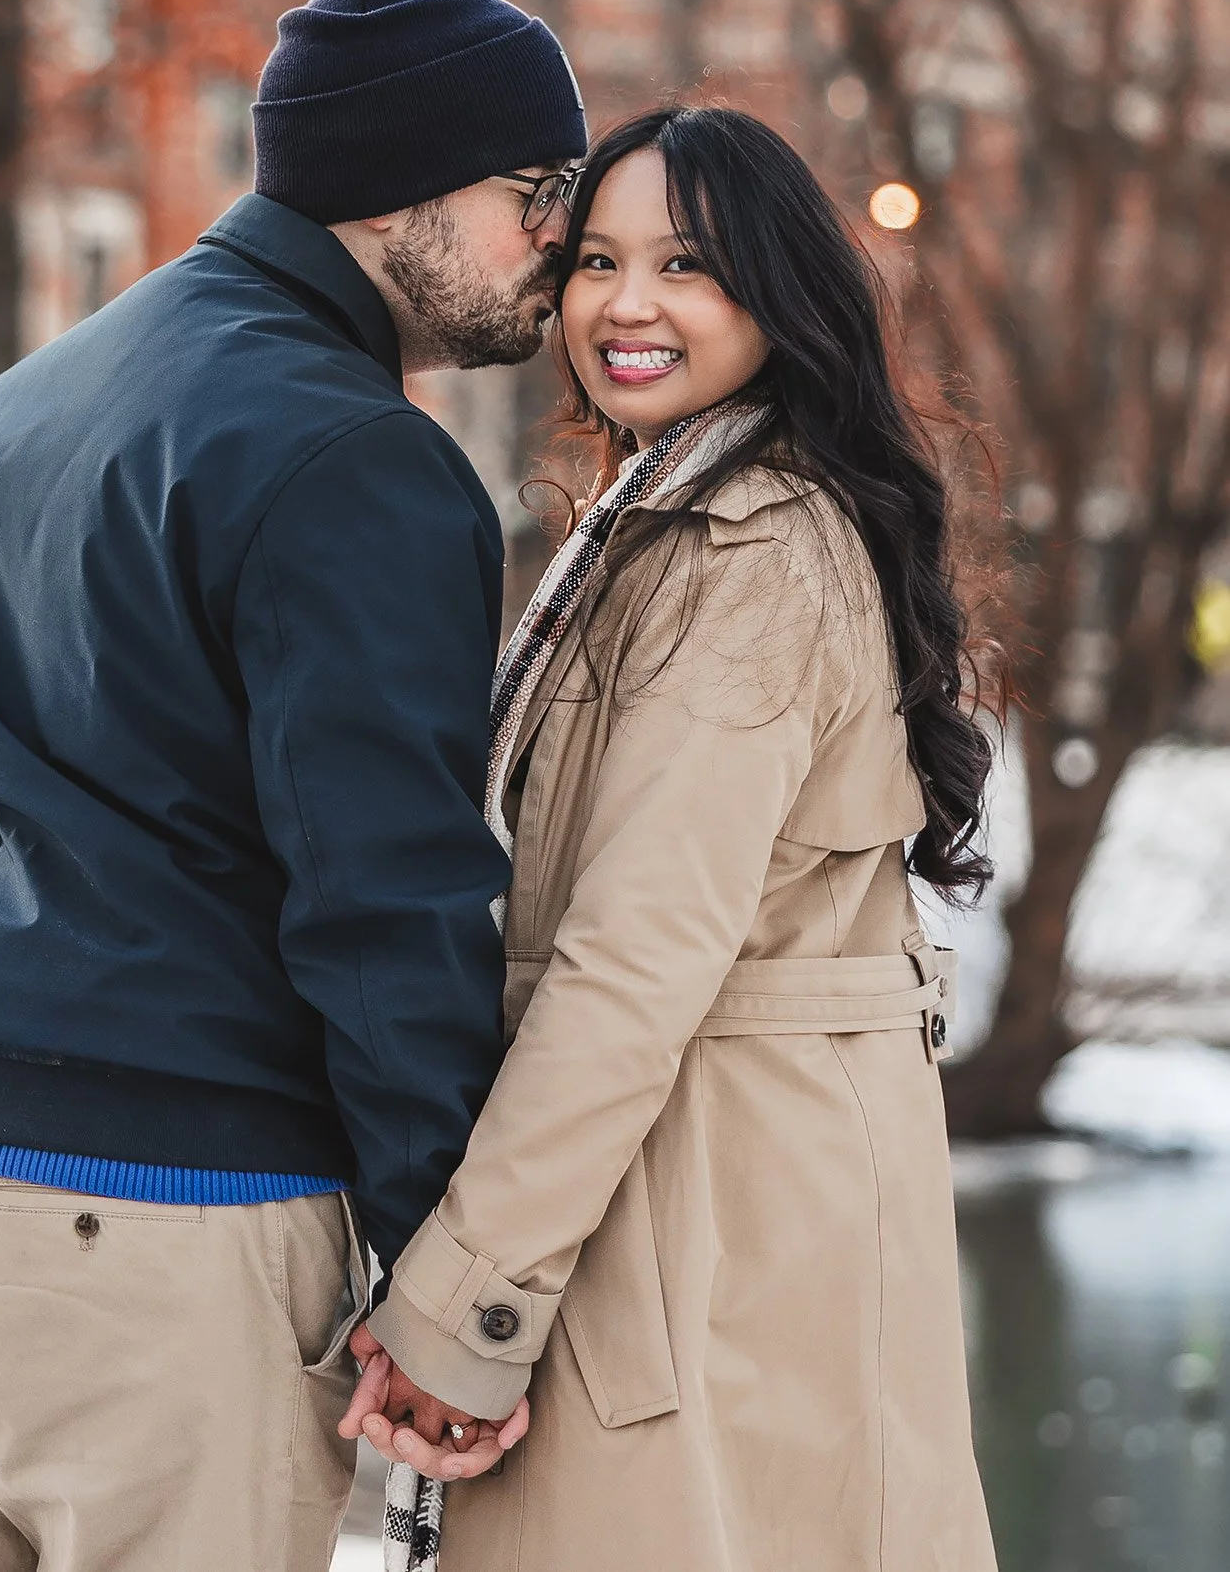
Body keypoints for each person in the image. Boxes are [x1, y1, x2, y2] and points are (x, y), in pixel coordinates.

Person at [0, 0, 581, 1572]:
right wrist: (457, 1292)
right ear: (399, 191)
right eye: (536, 188)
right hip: (146, 1215)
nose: (560, 241)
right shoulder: (359, 458)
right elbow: (387, 901)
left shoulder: (12, 413)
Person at [359, 104, 999, 1572]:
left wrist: (466, 1308)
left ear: (779, 292)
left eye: (687, 264)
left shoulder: (754, 552)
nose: (624, 304)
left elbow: (631, 963)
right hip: (693, 1202)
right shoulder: (660, 524)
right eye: (595, 259)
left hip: (710, 1234)